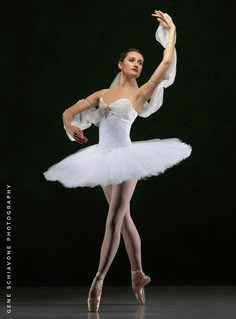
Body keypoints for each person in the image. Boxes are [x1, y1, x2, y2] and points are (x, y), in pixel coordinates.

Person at [43, 10, 192, 312]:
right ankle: (138, 274)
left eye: (140, 62)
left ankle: (98, 280)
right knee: (123, 220)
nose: (138, 64)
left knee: (113, 218)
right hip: (103, 159)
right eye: (133, 60)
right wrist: (68, 126)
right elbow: (69, 112)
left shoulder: (140, 95)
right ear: (120, 64)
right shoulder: (103, 94)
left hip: (126, 158)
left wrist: (172, 31)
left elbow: (165, 64)